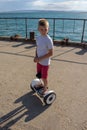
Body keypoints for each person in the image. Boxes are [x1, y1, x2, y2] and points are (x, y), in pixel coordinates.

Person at [34, 18, 54, 94]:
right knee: (39, 74)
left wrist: (40, 58)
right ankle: (41, 84)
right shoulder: (38, 38)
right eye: (41, 29)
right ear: (38, 29)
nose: (44, 31)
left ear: (48, 29)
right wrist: (36, 57)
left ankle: (45, 88)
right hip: (39, 61)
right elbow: (37, 48)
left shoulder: (48, 40)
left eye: (45, 29)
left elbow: (51, 53)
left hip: (45, 63)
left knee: (44, 77)